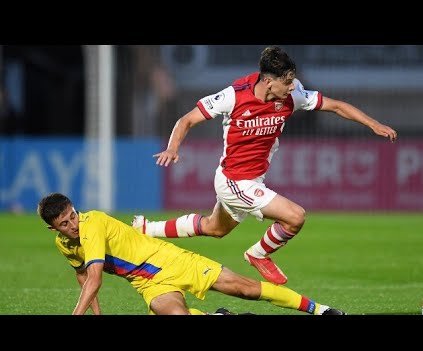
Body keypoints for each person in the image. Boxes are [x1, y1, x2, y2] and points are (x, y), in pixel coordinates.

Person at [132, 45, 398, 285]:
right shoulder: (233, 96)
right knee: (295, 217)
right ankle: (258, 254)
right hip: (234, 181)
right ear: (269, 81)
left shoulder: (293, 96)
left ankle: (146, 228)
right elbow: (186, 120)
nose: (293, 87)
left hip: (252, 180)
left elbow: (336, 106)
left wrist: (373, 124)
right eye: (288, 82)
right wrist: (172, 147)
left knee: (215, 228)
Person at [37, 192, 346, 315]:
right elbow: (82, 276)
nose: (72, 224)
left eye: (73, 215)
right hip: (147, 282)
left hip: (170, 260)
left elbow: (94, 278)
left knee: (246, 289)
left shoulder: (93, 224)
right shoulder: (64, 243)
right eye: (64, 223)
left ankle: (320, 310)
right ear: (54, 229)